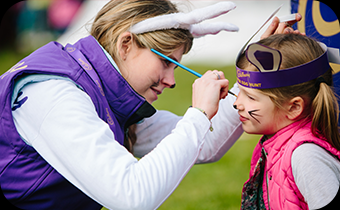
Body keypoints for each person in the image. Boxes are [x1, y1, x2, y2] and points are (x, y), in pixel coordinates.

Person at [0, 0, 302, 209]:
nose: (171, 80)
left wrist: (253, 76)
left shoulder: (107, 91)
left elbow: (205, 143)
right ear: (126, 44)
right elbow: (132, 196)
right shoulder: (56, 95)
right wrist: (197, 115)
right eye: (165, 62)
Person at [233, 33, 340, 209]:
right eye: (240, 92)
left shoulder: (306, 158)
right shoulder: (274, 144)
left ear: (293, 108)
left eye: (251, 97)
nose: (237, 103)